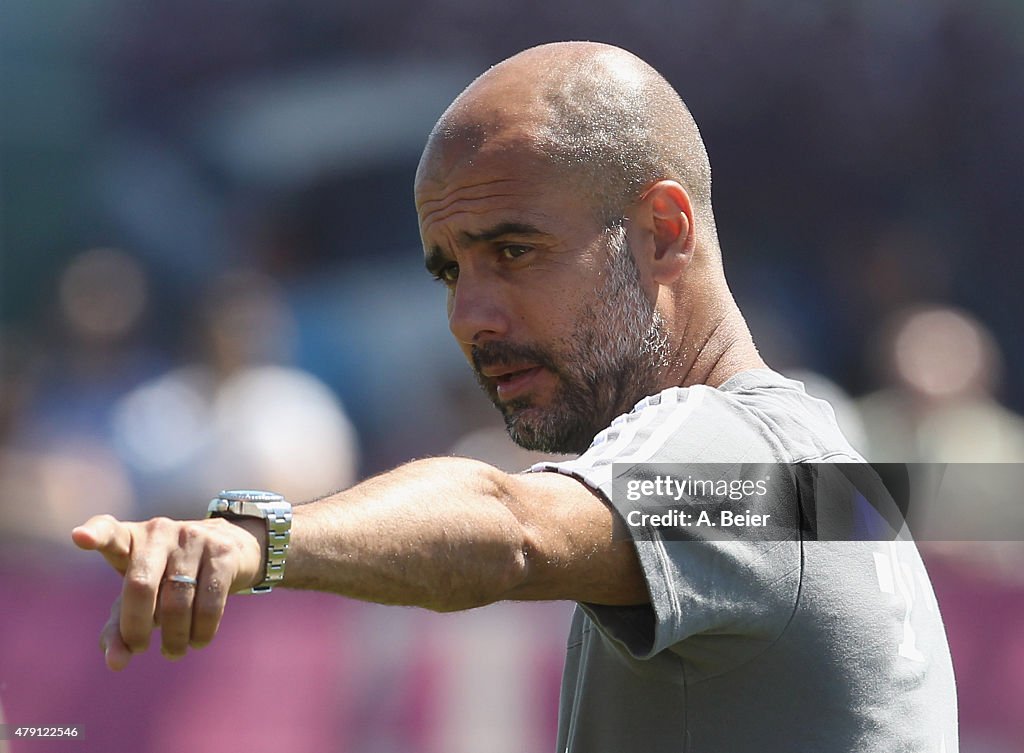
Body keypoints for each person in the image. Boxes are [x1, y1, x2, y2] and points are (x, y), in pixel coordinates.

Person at [72, 42, 958, 752]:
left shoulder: (729, 452)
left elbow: (512, 526)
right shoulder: (825, 472)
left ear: (663, 231)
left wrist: (256, 537)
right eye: (450, 268)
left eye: (514, 250)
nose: (467, 316)